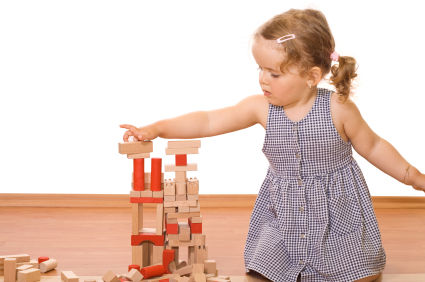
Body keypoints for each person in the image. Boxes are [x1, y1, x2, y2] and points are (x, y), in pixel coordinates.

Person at [120, 8, 425, 282]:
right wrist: (157, 129)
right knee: (266, 270)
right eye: (260, 69)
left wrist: (413, 177)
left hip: (338, 211)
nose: (263, 80)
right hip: (285, 214)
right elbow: (209, 121)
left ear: (312, 76)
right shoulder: (261, 108)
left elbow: (373, 146)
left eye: (274, 73)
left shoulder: (338, 108)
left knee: (358, 274)